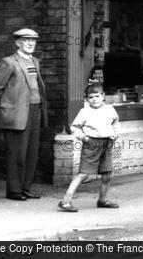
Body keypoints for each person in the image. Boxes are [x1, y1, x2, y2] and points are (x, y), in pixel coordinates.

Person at [0, 28, 48, 201]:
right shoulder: (9, 62)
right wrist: (10, 105)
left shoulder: (35, 61)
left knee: (31, 152)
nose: (30, 43)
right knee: (17, 154)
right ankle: (14, 190)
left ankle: (25, 188)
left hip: (35, 110)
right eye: (26, 40)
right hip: (17, 114)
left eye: (33, 40)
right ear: (17, 43)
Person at [58, 83, 119, 212]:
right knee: (84, 174)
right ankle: (66, 200)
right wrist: (84, 138)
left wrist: (114, 135)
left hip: (106, 143)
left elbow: (115, 123)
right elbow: (74, 127)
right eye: (91, 97)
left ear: (103, 96)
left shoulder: (110, 110)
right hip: (91, 144)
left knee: (107, 173)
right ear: (86, 99)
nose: (94, 99)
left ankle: (102, 199)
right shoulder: (85, 112)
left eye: (97, 96)